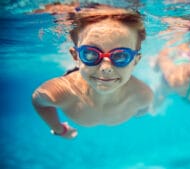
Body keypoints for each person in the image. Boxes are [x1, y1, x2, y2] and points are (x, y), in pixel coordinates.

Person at [32, 3, 153, 139]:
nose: (106, 68)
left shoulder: (143, 96)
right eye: (90, 54)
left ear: (135, 60)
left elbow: (143, 109)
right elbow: (38, 101)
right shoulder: (59, 92)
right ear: (76, 56)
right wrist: (59, 129)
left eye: (120, 55)